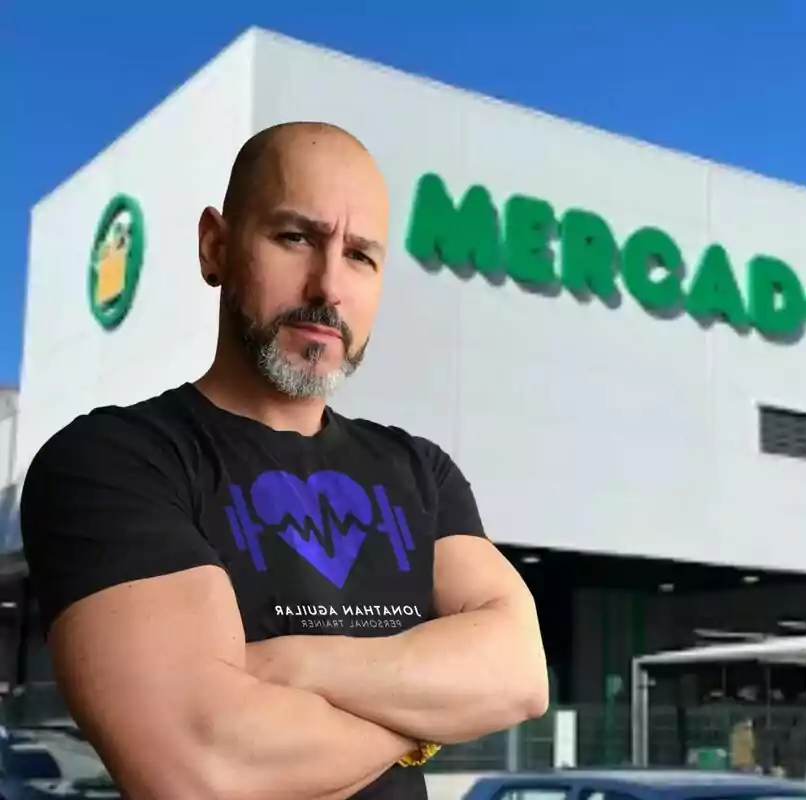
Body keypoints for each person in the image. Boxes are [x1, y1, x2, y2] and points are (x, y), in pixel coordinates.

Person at [18, 121, 550, 799]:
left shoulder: (420, 471)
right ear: (216, 246)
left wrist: (293, 665)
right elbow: (206, 768)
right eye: (296, 237)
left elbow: (520, 674)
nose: (328, 285)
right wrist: (433, 715)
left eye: (360, 255)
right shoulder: (112, 462)